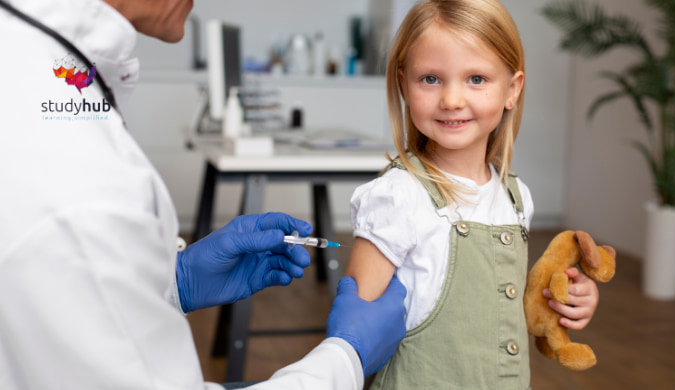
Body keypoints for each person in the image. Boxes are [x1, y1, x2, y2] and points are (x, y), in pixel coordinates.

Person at [0, 0, 406, 389]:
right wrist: (346, 358)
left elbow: (72, 307)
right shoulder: (75, 182)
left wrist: (174, 280)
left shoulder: (34, 64)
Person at [344, 0, 601, 388]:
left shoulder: (516, 197)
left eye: (476, 79)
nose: (451, 99)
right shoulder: (398, 197)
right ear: (403, 85)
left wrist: (566, 301)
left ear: (511, 90)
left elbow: (506, 306)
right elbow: (354, 331)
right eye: (430, 79)